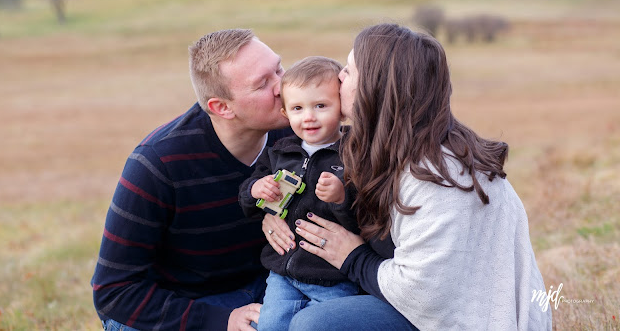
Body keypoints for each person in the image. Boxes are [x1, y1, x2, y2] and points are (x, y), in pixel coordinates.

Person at [265, 23, 552, 330]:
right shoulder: (394, 149)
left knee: (315, 325)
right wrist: (272, 212)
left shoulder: (437, 176)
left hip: (464, 321)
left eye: (348, 71)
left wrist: (353, 258)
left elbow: (423, 295)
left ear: (373, 88)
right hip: (429, 308)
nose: (338, 78)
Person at [91, 29, 294, 331]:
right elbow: (114, 290)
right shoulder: (157, 164)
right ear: (222, 107)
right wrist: (221, 321)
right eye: (263, 84)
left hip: (265, 287)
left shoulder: (297, 135)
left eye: (279, 69)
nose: (283, 86)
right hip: (182, 304)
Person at [238, 56, 358, 330]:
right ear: (285, 114)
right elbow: (248, 196)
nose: (309, 117)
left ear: (342, 108)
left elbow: (365, 217)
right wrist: (257, 189)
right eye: (298, 108)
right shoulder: (281, 151)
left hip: (333, 277)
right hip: (283, 272)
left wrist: (341, 198)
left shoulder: (355, 154)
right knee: (271, 325)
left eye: (320, 106)